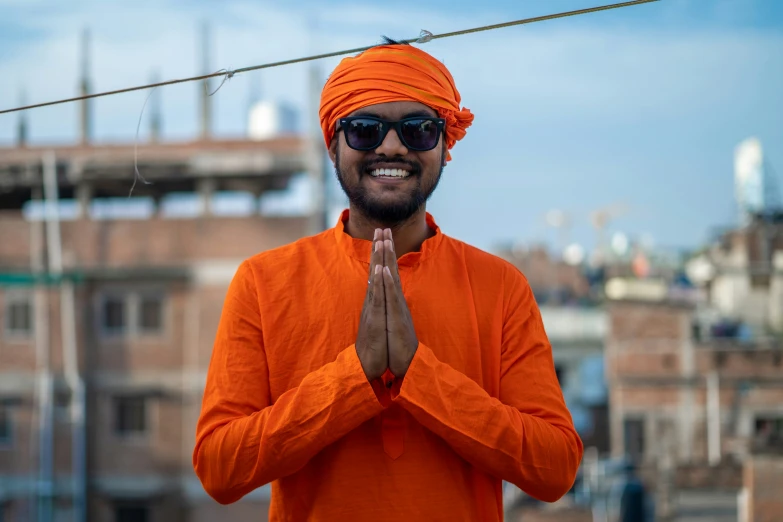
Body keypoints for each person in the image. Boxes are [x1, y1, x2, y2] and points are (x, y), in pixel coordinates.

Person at [193, 38, 583, 521]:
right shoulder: (264, 282)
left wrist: (420, 376)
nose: (392, 145)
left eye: (418, 129)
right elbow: (218, 469)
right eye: (364, 129)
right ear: (333, 143)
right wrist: (353, 377)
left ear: (445, 144)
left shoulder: (500, 287)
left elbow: (555, 468)